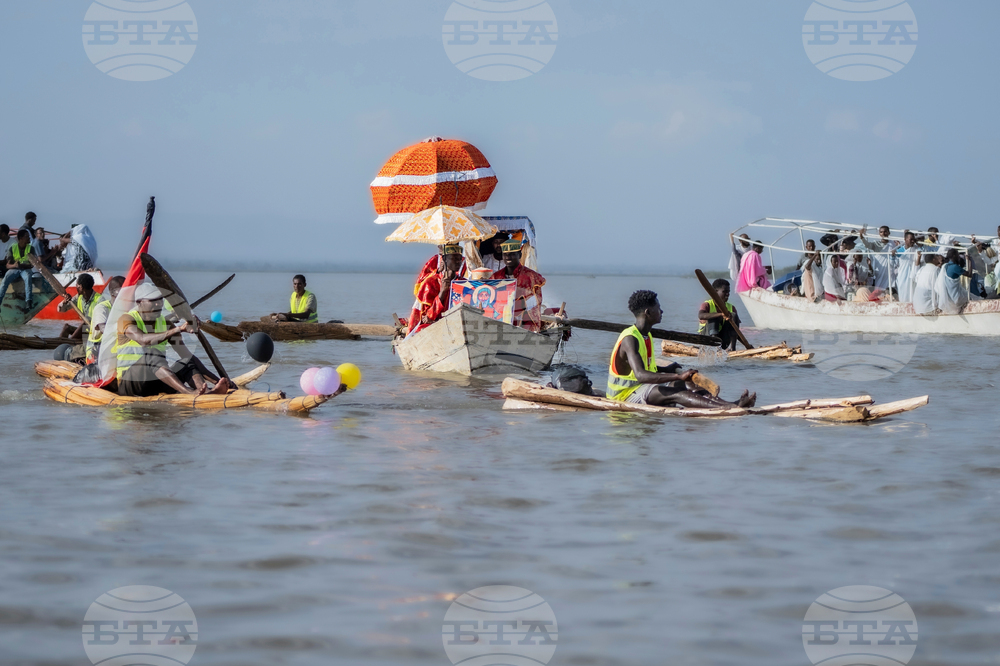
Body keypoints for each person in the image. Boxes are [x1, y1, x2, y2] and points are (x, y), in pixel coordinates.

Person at [607, 290, 755, 409]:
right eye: (658, 308)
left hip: (642, 387)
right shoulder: (630, 339)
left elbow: (643, 367)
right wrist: (678, 376)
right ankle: (728, 408)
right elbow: (641, 375)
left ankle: (732, 404)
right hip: (624, 395)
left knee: (689, 385)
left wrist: (669, 369)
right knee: (677, 392)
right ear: (648, 312)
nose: (662, 311)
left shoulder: (646, 335)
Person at [116, 284, 230, 397]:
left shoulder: (166, 324)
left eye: (160, 300)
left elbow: (187, 356)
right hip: (130, 384)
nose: (158, 304)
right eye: (153, 301)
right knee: (153, 353)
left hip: (155, 383)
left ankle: (204, 391)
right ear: (139, 302)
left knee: (187, 361)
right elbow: (143, 340)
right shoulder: (126, 319)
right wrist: (179, 329)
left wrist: (220, 381)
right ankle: (189, 392)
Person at [407, 244, 465, 336]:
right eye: (454, 259)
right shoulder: (430, 282)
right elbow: (429, 317)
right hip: (435, 326)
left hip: (457, 324)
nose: (458, 262)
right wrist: (443, 291)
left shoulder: (464, 283)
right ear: (445, 260)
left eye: (459, 259)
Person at [491, 236, 546, 332]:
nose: (508, 257)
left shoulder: (532, 276)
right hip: (500, 320)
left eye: (512, 254)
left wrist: (518, 306)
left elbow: (537, 300)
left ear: (519, 255)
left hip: (525, 322)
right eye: (505, 254)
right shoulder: (495, 277)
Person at [84, 275, 124, 365]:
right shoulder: (102, 308)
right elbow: (103, 329)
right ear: (113, 293)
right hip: (97, 351)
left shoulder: (126, 308)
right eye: (123, 291)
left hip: (117, 349)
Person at [56, 273, 106, 340]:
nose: (76, 286)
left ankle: (70, 342)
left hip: (96, 333)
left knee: (86, 322)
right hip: (86, 331)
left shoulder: (100, 300)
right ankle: (60, 345)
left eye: (77, 285)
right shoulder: (78, 297)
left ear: (81, 287)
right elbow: (61, 310)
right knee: (66, 328)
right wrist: (65, 302)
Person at [697, 278, 742, 351]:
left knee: (733, 315)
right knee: (714, 316)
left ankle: (733, 349)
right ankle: (715, 348)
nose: (727, 294)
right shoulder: (707, 305)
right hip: (707, 339)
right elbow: (701, 315)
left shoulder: (731, 308)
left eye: (728, 292)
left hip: (723, 341)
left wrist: (747, 345)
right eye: (724, 292)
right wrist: (720, 314)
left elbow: (736, 331)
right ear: (715, 292)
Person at [1, 229, 36, 311]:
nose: (29, 238)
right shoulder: (12, 248)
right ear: (21, 238)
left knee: (28, 277)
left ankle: (28, 301)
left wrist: (23, 265)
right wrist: (15, 265)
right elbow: (8, 265)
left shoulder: (31, 248)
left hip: (26, 269)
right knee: (5, 279)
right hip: (15, 269)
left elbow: (32, 265)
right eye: (27, 237)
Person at [858, 225, 897, 291]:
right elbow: (867, 245)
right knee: (879, 288)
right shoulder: (876, 244)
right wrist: (861, 236)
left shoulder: (893, 244)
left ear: (888, 233)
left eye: (885, 232)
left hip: (890, 271)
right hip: (880, 270)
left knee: (890, 288)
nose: (883, 234)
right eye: (881, 232)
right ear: (879, 234)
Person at [935, 248, 971, 315]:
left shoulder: (945, 266)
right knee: (971, 297)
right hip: (955, 298)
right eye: (957, 255)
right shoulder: (955, 267)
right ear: (954, 256)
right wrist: (969, 261)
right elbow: (969, 274)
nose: (959, 256)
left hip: (949, 297)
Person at [895, 232, 920, 302]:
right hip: (903, 276)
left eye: (913, 239)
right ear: (905, 239)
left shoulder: (916, 249)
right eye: (911, 239)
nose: (912, 241)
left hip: (913, 275)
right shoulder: (899, 251)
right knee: (903, 293)